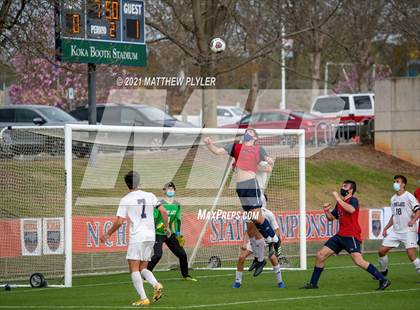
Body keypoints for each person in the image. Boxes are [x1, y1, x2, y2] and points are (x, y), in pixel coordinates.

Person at [204, 128, 278, 276]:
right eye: (246, 131)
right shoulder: (236, 148)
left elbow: (269, 164)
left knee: (256, 218)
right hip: (241, 188)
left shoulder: (257, 149)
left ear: (255, 137)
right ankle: (260, 256)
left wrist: (264, 161)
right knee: (251, 223)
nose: (247, 133)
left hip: (253, 186)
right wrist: (209, 144)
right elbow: (218, 152)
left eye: (251, 132)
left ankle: (273, 240)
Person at [302, 180, 391, 290]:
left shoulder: (353, 200)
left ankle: (383, 279)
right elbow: (331, 218)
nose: (342, 187)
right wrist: (326, 210)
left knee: (359, 261)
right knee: (320, 255)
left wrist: (338, 199)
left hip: (351, 236)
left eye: (345, 186)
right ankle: (313, 284)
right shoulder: (340, 203)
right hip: (340, 235)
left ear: (351, 190)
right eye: (342, 185)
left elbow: (351, 210)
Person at [100, 171, 169, 306]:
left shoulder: (126, 199)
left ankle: (143, 298)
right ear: (139, 182)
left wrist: (108, 234)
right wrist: (166, 227)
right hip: (150, 236)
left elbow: (120, 222)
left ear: (127, 185)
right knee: (143, 267)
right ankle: (156, 284)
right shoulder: (150, 195)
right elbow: (164, 211)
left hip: (137, 236)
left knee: (134, 269)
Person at [232, 194, 285, 288]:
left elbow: (277, 230)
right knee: (241, 257)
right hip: (255, 241)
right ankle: (237, 282)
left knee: (273, 258)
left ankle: (280, 282)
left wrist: (272, 240)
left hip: (267, 240)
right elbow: (249, 230)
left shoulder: (269, 214)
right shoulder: (251, 213)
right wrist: (244, 243)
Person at [147, 181, 197, 281]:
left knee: (182, 254)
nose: (170, 190)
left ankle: (185, 275)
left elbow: (177, 220)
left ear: (174, 190)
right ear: (164, 190)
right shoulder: (159, 204)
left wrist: (178, 234)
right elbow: (154, 219)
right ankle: (145, 275)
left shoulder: (177, 205)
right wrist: (153, 230)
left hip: (169, 233)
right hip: (158, 233)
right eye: (168, 188)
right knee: (158, 255)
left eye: (172, 189)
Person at [377, 175, 420, 275]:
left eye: (397, 181)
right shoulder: (393, 199)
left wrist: (413, 220)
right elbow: (394, 216)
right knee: (381, 251)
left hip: (408, 230)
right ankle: (383, 272)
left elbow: (418, 211)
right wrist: (386, 228)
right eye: (394, 181)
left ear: (403, 184)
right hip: (396, 231)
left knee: (411, 255)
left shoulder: (409, 196)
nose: (395, 183)